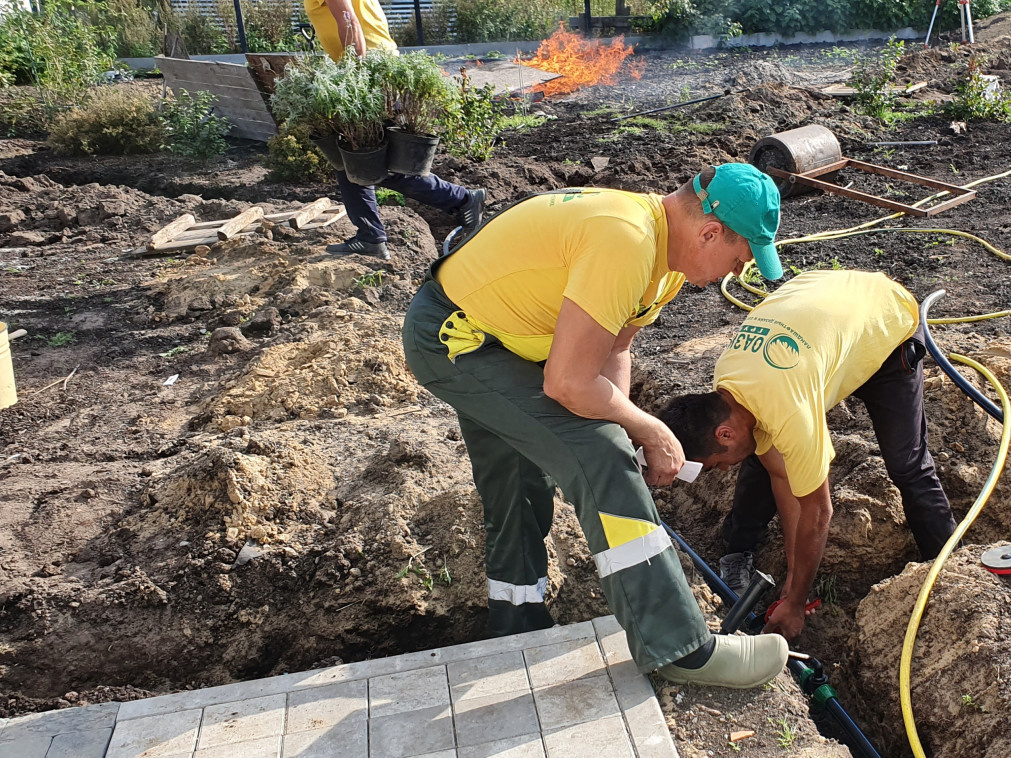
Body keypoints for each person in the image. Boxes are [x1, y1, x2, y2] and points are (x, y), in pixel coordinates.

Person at [402, 163, 791, 688]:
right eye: (739, 258)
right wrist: (644, 431)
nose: (734, 274)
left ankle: (516, 624)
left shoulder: (667, 259)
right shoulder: (625, 242)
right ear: (709, 232)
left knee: (519, 474)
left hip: (508, 338)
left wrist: (626, 421)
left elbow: (614, 349)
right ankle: (680, 647)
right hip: (455, 337)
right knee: (598, 451)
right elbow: (567, 384)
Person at [655, 270, 957, 640]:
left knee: (905, 462)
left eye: (716, 462)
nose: (719, 470)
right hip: (826, 317)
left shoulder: (789, 412)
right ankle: (738, 550)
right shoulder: (730, 381)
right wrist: (795, 581)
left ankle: (946, 568)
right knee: (760, 458)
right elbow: (783, 478)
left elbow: (817, 509)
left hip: (887, 327)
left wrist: (796, 603)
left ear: (724, 433)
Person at [304, 0, 485, 259]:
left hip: (372, 74)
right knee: (350, 158)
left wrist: (357, 77)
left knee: (366, 162)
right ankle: (370, 236)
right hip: (379, 69)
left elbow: (349, 21)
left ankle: (461, 200)